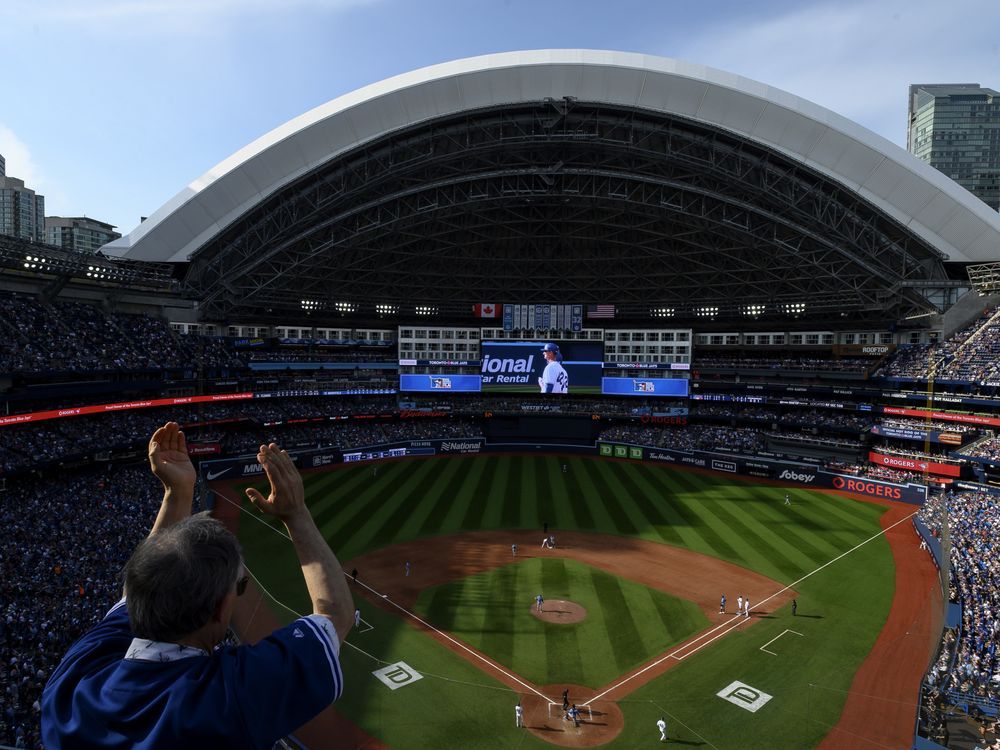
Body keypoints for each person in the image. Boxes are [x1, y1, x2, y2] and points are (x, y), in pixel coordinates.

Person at [42, 422, 354, 749]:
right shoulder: (228, 699)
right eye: (239, 586)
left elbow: (136, 589)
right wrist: (297, 513)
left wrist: (177, 492)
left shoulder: (73, 680)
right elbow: (335, 616)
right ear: (220, 609)